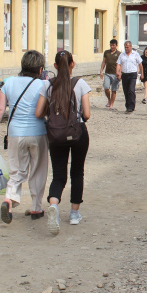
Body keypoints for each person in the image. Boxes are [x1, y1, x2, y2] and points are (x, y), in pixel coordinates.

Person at [35, 50, 91, 235]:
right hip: (77, 133)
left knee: (59, 174)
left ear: (55, 66)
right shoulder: (80, 84)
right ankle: (74, 214)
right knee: (77, 172)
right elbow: (87, 114)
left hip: (56, 134)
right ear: (72, 64)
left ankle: (54, 205)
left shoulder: (48, 85)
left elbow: (38, 113)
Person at [0, 50, 47, 224]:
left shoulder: (9, 83)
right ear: (40, 68)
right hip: (38, 132)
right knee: (38, 170)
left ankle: (9, 199)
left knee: (16, 170)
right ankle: (36, 207)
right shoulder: (43, 85)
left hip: (15, 133)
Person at [116, 41, 143, 113]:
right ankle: (127, 106)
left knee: (131, 90)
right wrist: (118, 72)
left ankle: (131, 106)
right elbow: (118, 64)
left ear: (131, 47)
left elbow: (140, 64)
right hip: (125, 74)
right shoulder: (122, 55)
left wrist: (142, 74)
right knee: (126, 91)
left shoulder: (135, 54)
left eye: (127, 47)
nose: (126, 49)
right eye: (125, 47)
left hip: (132, 74)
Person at [99, 39, 121, 109]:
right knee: (106, 87)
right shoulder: (106, 52)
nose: (112, 47)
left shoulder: (119, 54)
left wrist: (120, 73)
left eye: (113, 45)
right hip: (107, 73)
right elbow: (104, 62)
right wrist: (101, 71)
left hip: (115, 74)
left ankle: (111, 104)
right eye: (111, 45)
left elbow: (121, 64)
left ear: (116, 45)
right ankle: (109, 99)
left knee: (114, 89)